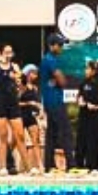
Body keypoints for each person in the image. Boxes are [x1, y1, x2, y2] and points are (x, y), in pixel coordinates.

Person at [0, 43, 30, 175]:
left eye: (10, 52)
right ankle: (2, 167)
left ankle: (28, 167)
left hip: (12, 102)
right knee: (2, 136)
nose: (8, 55)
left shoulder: (15, 66)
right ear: (1, 53)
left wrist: (18, 82)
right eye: (6, 52)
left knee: (20, 135)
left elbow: (21, 85)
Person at [41, 33, 74, 174]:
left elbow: (59, 80)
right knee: (66, 132)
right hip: (54, 100)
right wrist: (59, 80)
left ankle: (49, 165)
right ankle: (71, 165)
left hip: (50, 100)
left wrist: (57, 80)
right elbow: (62, 81)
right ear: (51, 46)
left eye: (62, 45)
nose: (61, 48)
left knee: (52, 134)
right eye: (59, 45)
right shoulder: (50, 59)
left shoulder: (49, 59)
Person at [75, 60, 98, 174]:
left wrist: (96, 107)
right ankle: (79, 165)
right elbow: (78, 96)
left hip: (95, 117)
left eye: (87, 69)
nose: (85, 71)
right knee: (81, 140)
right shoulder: (84, 83)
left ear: (94, 71)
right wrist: (79, 101)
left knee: (93, 141)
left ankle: (93, 166)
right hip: (83, 116)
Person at [17, 64, 43, 174]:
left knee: (35, 141)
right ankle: (19, 165)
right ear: (27, 74)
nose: (35, 76)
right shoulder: (21, 87)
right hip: (20, 115)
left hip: (31, 116)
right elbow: (15, 103)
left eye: (36, 74)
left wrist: (40, 110)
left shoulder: (35, 88)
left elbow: (37, 103)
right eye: (33, 73)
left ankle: (40, 165)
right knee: (17, 141)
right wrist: (29, 103)